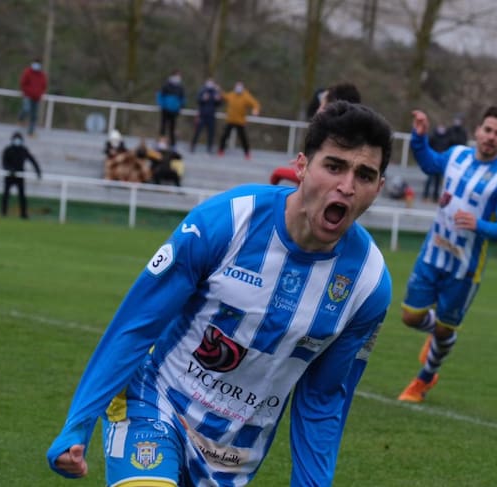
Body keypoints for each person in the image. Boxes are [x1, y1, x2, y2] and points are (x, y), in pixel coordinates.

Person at [46, 101, 393, 486]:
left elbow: (323, 398)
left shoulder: (368, 285)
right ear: (302, 166)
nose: (346, 186)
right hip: (155, 402)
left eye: (364, 175)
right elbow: (137, 324)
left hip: (233, 456)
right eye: (334, 166)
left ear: (378, 188)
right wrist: (78, 424)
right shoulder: (228, 221)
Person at [397, 106, 497, 403]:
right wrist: (419, 137)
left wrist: (479, 225)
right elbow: (429, 164)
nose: (491, 137)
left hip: (464, 268)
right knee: (410, 317)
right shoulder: (456, 155)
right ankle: (442, 334)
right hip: (432, 253)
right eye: (487, 130)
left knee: (443, 330)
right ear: (478, 130)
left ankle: (424, 378)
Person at [0, 131, 42, 219]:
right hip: (9, 176)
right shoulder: (8, 150)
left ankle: (23, 214)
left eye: (18, 139)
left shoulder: (23, 150)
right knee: (6, 195)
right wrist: (9, 169)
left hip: (20, 176)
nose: (17, 141)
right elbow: (4, 162)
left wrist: (38, 171)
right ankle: (3, 213)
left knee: (22, 196)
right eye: (16, 139)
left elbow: (32, 160)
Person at [218, 81, 261, 159]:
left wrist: (256, 110)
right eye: (237, 86)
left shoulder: (246, 96)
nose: (238, 88)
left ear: (243, 87)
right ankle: (220, 150)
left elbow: (255, 103)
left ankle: (247, 153)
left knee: (243, 138)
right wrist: (219, 90)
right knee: (224, 136)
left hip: (240, 121)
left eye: (240, 86)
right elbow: (224, 96)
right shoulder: (231, 94)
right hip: (230, 120)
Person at [190, 78, 223, 154]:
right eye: (209, 82)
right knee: (197, 131)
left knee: (211, 133)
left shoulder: (215, 92)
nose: (210, 84)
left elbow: (219, 104)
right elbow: (198, 100)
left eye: (212, 82)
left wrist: (218, 99)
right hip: (202, 115)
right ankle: (192, 146)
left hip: (211, 116)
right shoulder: (202, 90)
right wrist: (203, 99)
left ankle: (209, 148)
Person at [18, 58, 48, 136]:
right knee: (26, 109)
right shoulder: (27, 72)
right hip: (28, 96)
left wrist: (40, 93)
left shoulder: (42, 75)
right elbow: (23, 83)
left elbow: (44, 85)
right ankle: (20, 118)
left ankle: (31, 131)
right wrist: (27, 91)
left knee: (34, 116)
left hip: (37, 97)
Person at [157, 70, 186, 148]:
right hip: (165, 109)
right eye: (177, 75)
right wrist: (162, 105)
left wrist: (181, 107)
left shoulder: (180, 87)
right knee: (163, 126)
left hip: (174, 111)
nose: (178, 77)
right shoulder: (166, 85)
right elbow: (160, 96)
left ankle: (172, 144)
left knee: (172, 128)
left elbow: (183, 99)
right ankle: (161, 142)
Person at [423, 123, 449, 202]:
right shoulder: (433, 136)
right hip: (432, 161)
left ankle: (435, 197)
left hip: (440, 161)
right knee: (430, 179)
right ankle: (425, 195)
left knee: (438, 181)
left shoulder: (446, 138)